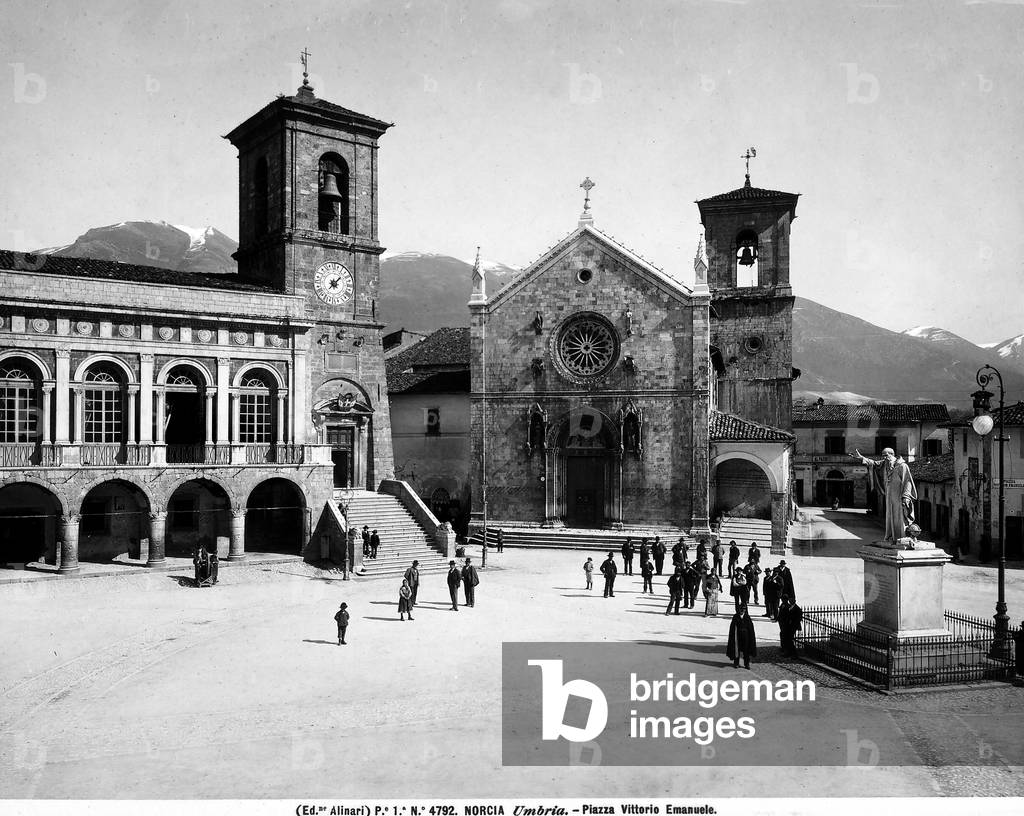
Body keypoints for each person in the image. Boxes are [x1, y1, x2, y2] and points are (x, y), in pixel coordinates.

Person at [850, 447, 918, 544]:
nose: (884, 458)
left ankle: (901, 537)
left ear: (892, 454)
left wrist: (906, 496)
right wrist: (861, 457)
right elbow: (873, 463)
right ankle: (891, 536)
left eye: (886, 455)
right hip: (889, 495)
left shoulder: (902, 466)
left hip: (899, 496)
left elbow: (908, 482)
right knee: (890, 515)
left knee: (899, 515)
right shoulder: (884, 464)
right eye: (883, 455)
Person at [727, 605, 757, 669]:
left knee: (746, 650)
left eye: (743, 610)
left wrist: (750, 637)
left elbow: (750, 628)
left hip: (746, 637)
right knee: (736, 650)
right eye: (741, 609)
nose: (742, 611)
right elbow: (732, 627)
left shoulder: (747, 617)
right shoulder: (735, 616)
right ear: (739, 610)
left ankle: (746, 664)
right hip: (737, 636)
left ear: (745, 610)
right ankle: (736, 663)